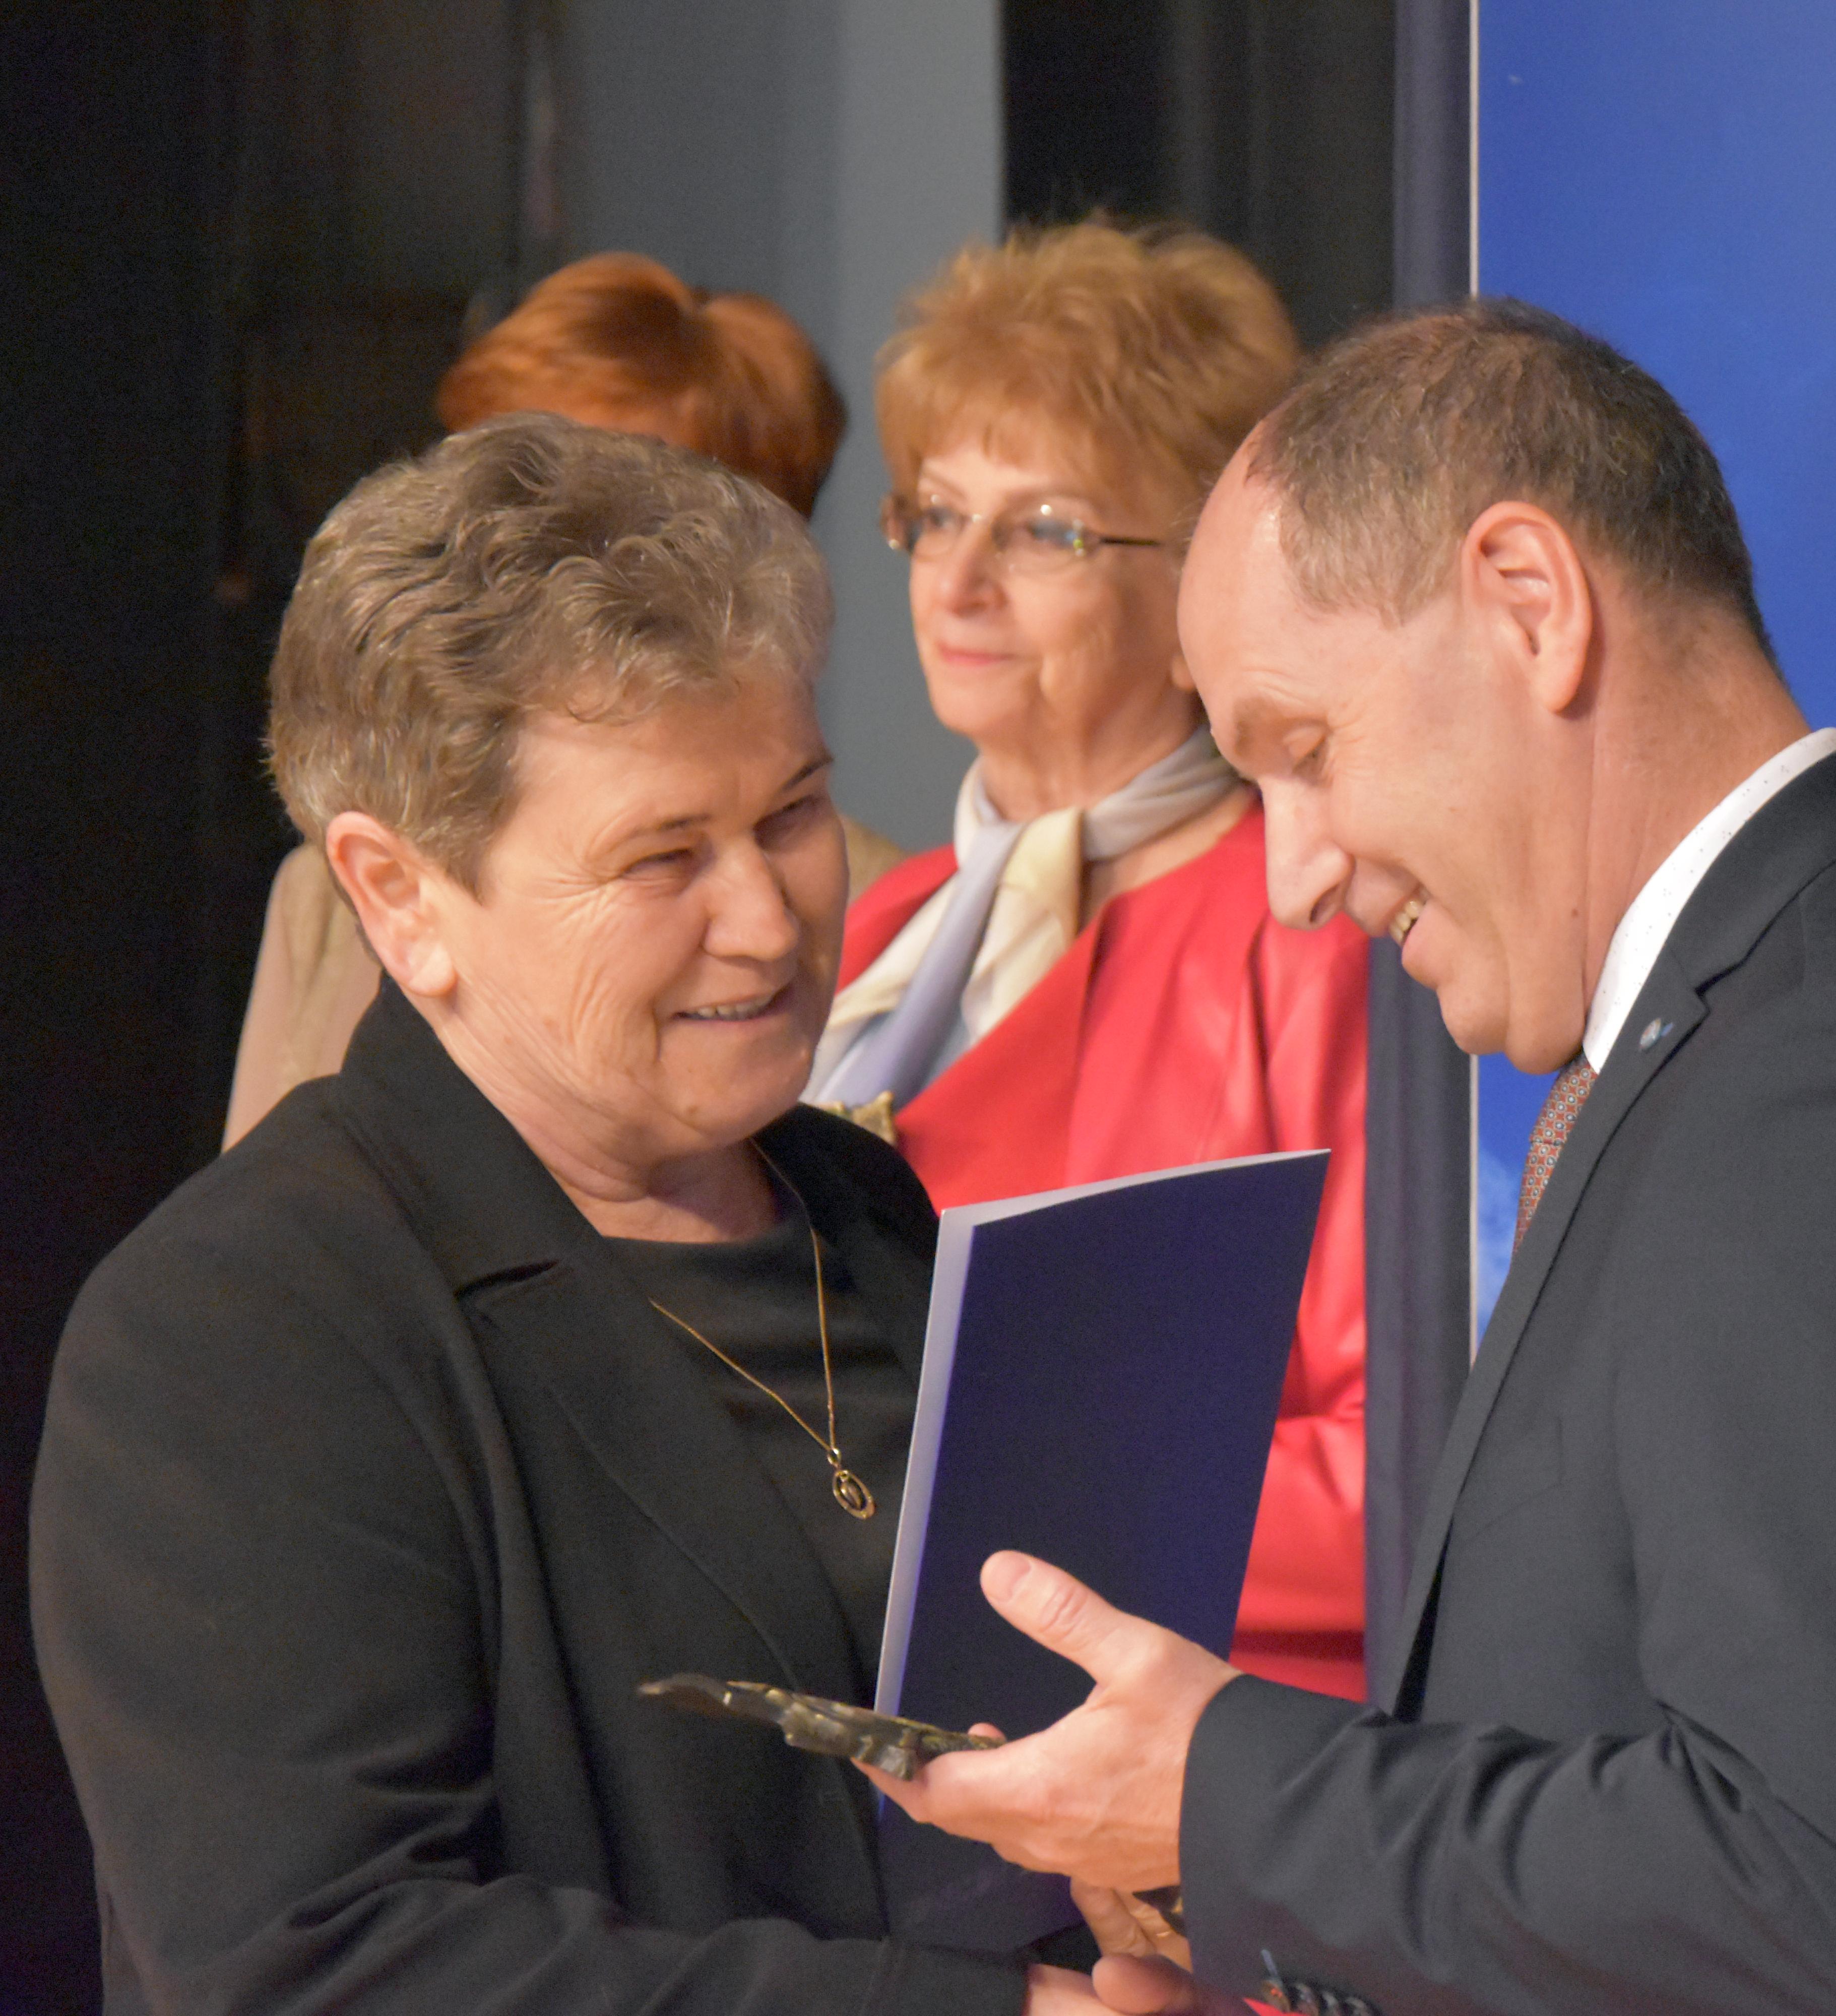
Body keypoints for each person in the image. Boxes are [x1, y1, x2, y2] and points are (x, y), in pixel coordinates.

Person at [873, 301, 1836, 2014]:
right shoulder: (1780, 1021)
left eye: (1305, 755)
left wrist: (1225, 1796)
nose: (1294, 877)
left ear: (1531, 605)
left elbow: (1820, 1904)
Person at [35, 416, 1110, 2013]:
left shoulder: (863, 1203)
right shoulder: (236, 1332)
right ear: (401, 896)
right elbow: (319, 1969)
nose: (768, 922)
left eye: (792, 815)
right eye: (663, 858)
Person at [808, 221, 1371, 1700]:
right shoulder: (874, 928)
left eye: (1044, 530)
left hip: (1164, 1736)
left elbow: (1409, 1460)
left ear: (1202, 591)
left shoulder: (1320, 934)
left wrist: (987, 1526)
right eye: (937, 516)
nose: (957, 582)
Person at [223, 252, 898, 1147]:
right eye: (487, 481)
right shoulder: (325, 895)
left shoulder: (888, 912)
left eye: (588, 519)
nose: (498, 549)